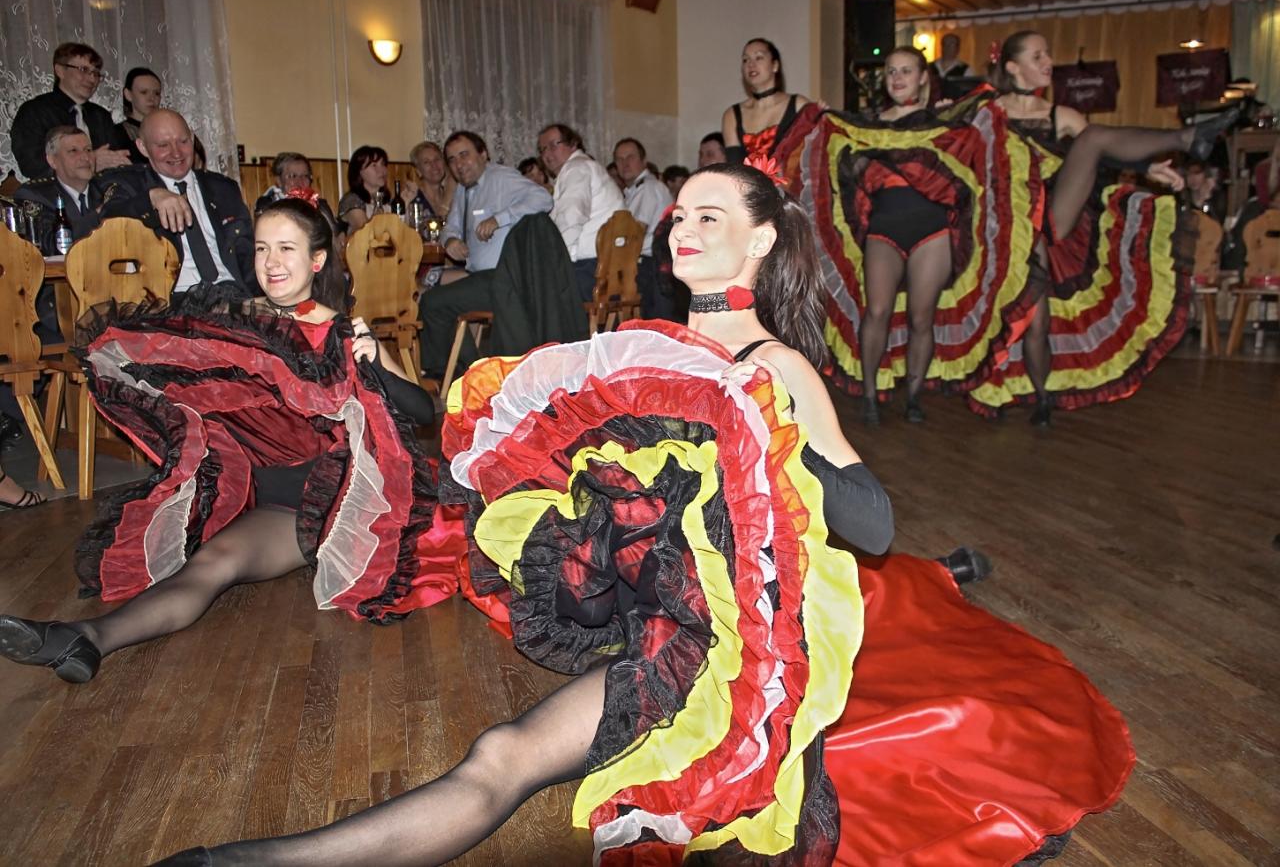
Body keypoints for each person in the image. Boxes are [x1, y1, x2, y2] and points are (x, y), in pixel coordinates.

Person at [148, 163, 1133, 867]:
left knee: (511, 755)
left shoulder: (775, 366)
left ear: (761, 240)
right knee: (502, 756)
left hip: (736, 648)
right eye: (679, 214)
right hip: (661, 622)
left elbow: (870, 523)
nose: (681, 227)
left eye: (709, 214)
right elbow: (524, 453)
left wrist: (762, 433)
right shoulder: (637, 349)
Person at [0, 196, 448, 684]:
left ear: (317, 260)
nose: (271, 262)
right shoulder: (236, 321)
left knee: (217, 563)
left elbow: (422, 412)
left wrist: (375, 357)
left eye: (286, 248)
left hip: (330, 504)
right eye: (261, 249)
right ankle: (83, 638)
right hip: (264, 497)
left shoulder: (340, 329)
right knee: (210, 564)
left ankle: (84, 635)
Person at [991, 29, 1235, 424]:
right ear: (1013, 67)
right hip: (1003, 221)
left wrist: (1147, 167)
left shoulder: (1061, 115)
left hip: (1052, 215)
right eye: (1038, 57)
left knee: (1093, 138)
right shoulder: (987, 111)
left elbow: (1102, 154)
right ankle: (1032, 396)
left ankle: (1188, 137)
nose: (1048, 62)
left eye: (1048, 54)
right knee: (1033, 318)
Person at [855, 47, 954, 426]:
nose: (897, 78)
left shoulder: (942, 120)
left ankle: (914, 397)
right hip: (884, 226)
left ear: (923, 76)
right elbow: (849, 170)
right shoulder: (868, 125)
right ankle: (869, 396)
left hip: (932, 228)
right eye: (891, 71)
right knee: (877, 310)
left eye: (906, 71)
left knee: (921, 318)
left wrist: (949, 120)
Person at [418, 130, 554, 379]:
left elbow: (543, 199)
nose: (459, 164)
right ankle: (474, 370)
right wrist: (451, 240)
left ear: (483, 154)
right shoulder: (464, 189)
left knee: (433, 303)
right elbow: (450, 227)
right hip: (479, 277)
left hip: (505, 280)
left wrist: (500, 219)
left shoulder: (501, 178)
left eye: (464, 155)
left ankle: (456, 373)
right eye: (452, 159)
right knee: (431, 295)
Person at [99, 109, 257, 298]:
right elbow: (106, 218)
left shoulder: (223, 188)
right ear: (142, 147)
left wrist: (260, 300)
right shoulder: (130, 184)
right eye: (163, 145)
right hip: (171, 298)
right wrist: (151, 198)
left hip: (232, 293)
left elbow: (247, 254)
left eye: (183, 141)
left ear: (192, 139)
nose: (176, 153)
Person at [9, 41, 132, 179]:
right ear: (60, 71)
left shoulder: (100, 115)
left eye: (96, 73)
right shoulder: (34, 111)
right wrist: (90, 161)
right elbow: (32, 166)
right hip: (53, 191)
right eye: (83, 70)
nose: (92, 78)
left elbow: (115, 160)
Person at [537, 123, 624, 301]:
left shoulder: (576, 168)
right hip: (613, 269)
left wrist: (556, 266)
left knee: (536, 294)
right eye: (542, 149)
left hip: (590, 270)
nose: (547, 154)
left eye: (553, 145)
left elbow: (571, 218)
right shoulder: (586, 166)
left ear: (573, 144)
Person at [13, 126, 105, 257]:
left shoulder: (108, 189)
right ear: (52, 161)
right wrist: (98, 214)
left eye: (88, 150)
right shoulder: (34, 196)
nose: (85, 157)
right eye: (73, 151)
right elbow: (50, 246)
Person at [721, 38, 812, 163]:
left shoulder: (799, 105)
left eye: (758, 57)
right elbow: (734, 168)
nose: (750, 64)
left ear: (775, 65)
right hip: (745, 177)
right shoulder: (731, 115)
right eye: (745, 60)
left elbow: (813, 157)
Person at [613, 137, 673, 318]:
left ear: (643, 160)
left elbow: (635, 233)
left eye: (630, 157)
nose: (624, 163)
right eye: (619, 159)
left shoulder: (648, 187)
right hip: (650, 263)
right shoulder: (634, 190)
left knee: (655, 321)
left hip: (652, 264)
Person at [109, 67, 163, 164]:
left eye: (156, 93)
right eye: (144, 92)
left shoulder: (167, 130)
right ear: (128, 95)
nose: (151, 98)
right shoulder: (116, 134)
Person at [336, 145, 390, 233]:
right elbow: (365, 232)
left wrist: (405, 203)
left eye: (383, 164)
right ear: (359, 171)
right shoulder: (351, 200)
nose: (382, 170)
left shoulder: (387, 200)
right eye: (374, 165)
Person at [398, 140, 456, 219]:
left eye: (437, 159)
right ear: (418, 171)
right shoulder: (412, 199)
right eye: (426, 162)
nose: (434, 165)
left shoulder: (453, 196)